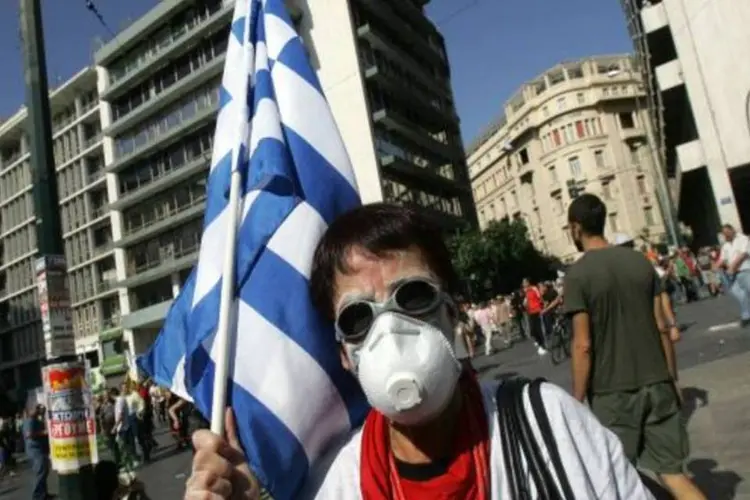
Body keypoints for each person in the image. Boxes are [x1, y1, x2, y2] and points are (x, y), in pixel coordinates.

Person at [187, 202, 654, 499]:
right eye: (357, 318)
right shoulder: (336, 486)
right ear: (345, 355)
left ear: (452, 312)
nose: (390, 329)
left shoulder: (550, 426)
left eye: (413, 297)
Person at [564, 194, 704, 500]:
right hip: (658, 382)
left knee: (615, 478)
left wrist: (575, 400)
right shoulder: (640, 262)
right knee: (674, 474)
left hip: (612, 393)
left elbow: (583, 344)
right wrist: (672, 378)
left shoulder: (578, 276)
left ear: (576, 228)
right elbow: (661, 327)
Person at [718, 224, 750, 327]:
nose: (726, 235)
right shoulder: (725, 245)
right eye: (724, 234)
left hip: (745, 269)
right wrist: (717, 265)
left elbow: (744, 254)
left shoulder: (742, 239)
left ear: (732, 230)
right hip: (732, 274)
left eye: (727, 232)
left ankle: (746, 316)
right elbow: (722, 258)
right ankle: (746, 315)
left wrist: (732, 266)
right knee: (738, 293)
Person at [23, 404, 50, 500]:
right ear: (29, 410)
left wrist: (43, 415)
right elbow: (29, 434)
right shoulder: (30, 421)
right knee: (40, 473)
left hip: (40, 449)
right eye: (36, 408)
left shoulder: (35, 420)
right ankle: (37, 496)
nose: (38, 410)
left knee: (44, 472)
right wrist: (43, 433)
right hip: (35, 451)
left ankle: (43, 494)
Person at [522, 278, 546, 355]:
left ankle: (542, 345)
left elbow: (540, 297)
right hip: (530, 312)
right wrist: (525, 304)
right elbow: (526, 301)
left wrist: (542, 307)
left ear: (528, 282)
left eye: (525, 282)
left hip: (537, 310)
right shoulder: (526, 291)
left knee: (538, 329)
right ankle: (538, 342)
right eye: (523, 283)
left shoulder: (534, 288)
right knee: (533, 329)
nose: (523, 284)